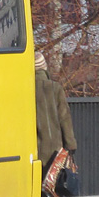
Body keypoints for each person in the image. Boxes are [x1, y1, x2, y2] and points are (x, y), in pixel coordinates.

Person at [35, 50, 78, 178]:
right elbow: (64, 118)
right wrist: (70, 144)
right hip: (55, 151)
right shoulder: (55, 88)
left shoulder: (24, 89)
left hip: (32, 152)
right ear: (44, 68)